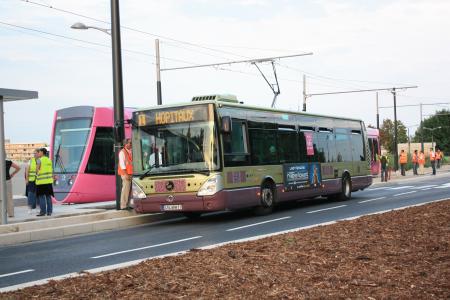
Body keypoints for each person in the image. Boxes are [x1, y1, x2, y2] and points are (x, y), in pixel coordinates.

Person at [36, 148, 54, 216]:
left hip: (41, 182)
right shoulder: (49, 160)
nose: (38, 153)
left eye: (39, 152)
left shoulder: (39, 160)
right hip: (49, 181)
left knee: (41, 197)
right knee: (48, 197)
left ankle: (43, 212)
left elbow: (37, 170)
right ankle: (49, 212)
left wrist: (37, 175)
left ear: (42, 152)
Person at [118, 138, 133, 210]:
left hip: (131, 173)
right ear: (125, 144)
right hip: (125, 173)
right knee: (125, 189)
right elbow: (122, 164)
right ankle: (123, 205)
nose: (131, 144)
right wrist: (126, 174)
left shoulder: (130, 151)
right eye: (130, 143)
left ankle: (128, 204)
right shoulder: (122, 152)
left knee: (129, 190)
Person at [25, 149, 39, 214]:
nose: (34, 154)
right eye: (34, 153)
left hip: (39, 180)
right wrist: (27, 179)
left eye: (35, 153)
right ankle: (29, 208)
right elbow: (27, 170)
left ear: (39, 153)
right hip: (31, 180)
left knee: (38, 194)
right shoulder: (31, 161)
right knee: (30, 194)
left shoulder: (40, 161)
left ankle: (37, 207)